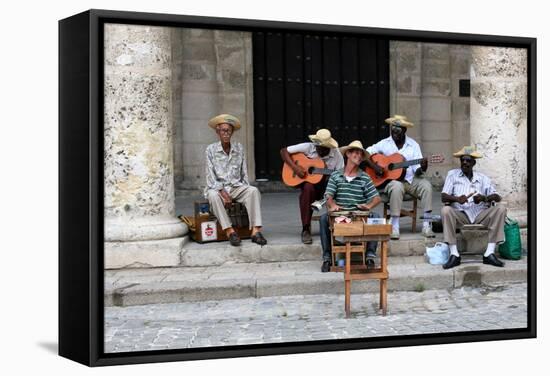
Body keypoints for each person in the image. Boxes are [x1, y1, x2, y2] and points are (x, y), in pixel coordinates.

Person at [364, 115, 434, 240]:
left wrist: (423, 167)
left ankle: (426, 224)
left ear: (405, 130)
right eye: (393, 130)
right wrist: (375, 167)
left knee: (427, 186)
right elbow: (366, 153)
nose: (394, 133)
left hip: (411, 180)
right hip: (393, 182)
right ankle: (395, 225)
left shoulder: (413, 145)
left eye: (398, 131)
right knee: (396, 186)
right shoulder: (384, 143)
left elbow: (418, 172)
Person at [204, 114, 267, 247]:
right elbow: (210, 176)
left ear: (232, 132)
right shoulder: (210, 149)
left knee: (253, 191)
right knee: (212, 195)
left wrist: (245, 191)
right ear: (217, 132)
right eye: (223, 130)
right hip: (218, 189)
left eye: (229, 131)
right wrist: (222, 192)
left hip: (236, 187)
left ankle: (256, 231)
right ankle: (230, 231)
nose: (226, 133)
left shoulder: (239, 148)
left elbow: (244, 173)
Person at [319, 141, 382, 272]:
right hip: (340, 215)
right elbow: (328, 195)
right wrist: (332, 205)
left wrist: (368, 206)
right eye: (355, 153)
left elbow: (377, 198)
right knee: (324, 219)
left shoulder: (364, 177)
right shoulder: (336, 175)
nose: (358, 156)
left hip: (359, 215)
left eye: (360, 154)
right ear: (347, 153)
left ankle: (370, 256)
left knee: (376, 218)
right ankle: (327, 258)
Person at [440, 146, 506, 269]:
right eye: (462, 160)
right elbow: (443, 197)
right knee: (446, 210)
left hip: (480, 215)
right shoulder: (452, 175)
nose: (465, 162)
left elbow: (497, 197)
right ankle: (454, 254)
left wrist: (484, 198)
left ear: (473, 163)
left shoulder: (483, 178)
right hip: (461, 215)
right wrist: (457, 199)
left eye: (468, 160)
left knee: (501, 208)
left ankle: (489, 253)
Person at [280, 129, 344, 244]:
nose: (319, 150)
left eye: (322, 148)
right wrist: (295, 168)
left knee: (336, 191)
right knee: (308, 188)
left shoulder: (336, 155)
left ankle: (336, 227)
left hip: (327, 186)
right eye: (318, 147)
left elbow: (341, 176)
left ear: (328, 147)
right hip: (311, 186)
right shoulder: (308, 147)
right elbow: (283, 151)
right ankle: (305, 228)